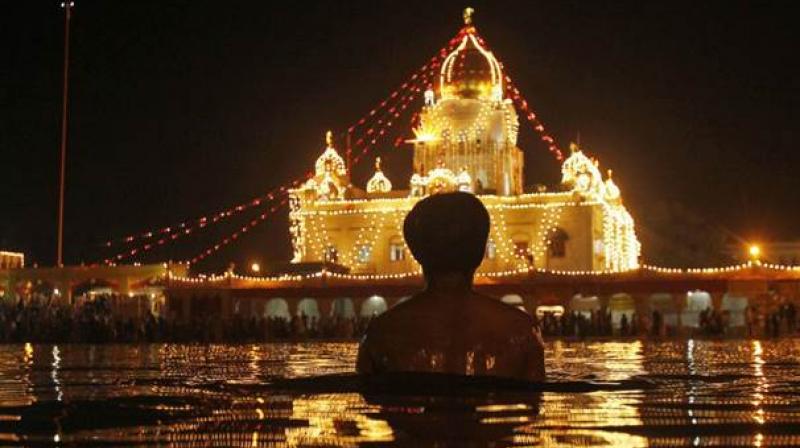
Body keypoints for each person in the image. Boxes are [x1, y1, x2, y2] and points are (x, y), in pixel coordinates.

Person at [356, 192, 545, 381]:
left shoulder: (381, 332)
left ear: (416, 251)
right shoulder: (520, 330)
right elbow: (535, 400)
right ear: (480, 252)